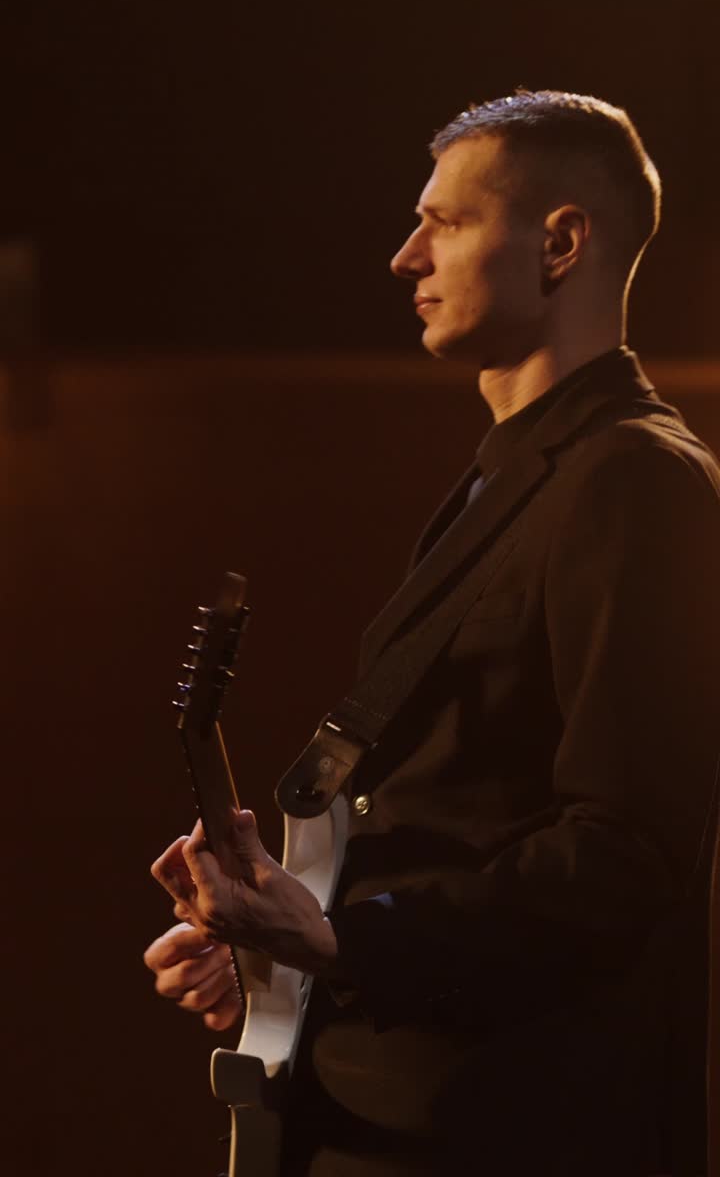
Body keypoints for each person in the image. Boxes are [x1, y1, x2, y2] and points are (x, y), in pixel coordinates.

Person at [144, 90, 720, 1175]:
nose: (405, 257)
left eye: (445, 222)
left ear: (560, 241)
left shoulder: (637, 479)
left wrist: (339, 937)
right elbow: (468, 817)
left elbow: (624, 853)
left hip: (498, 1129)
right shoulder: (515, 477)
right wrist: (284, 942)